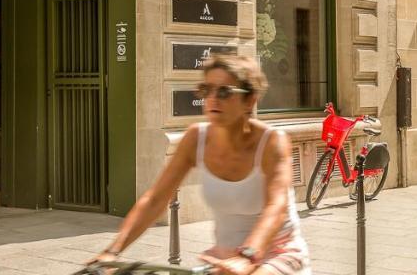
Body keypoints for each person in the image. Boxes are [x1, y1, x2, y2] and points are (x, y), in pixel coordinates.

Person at [90, 54, 310, 274]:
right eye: (206, 90)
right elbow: (155, 199)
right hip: (225, 259)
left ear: (250, 100)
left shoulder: (271, 141)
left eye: (224, 92)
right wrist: (113, 252)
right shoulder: (196, 138)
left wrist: (247, 256)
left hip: (277, 254)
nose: (213, 99)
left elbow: (276, 208)